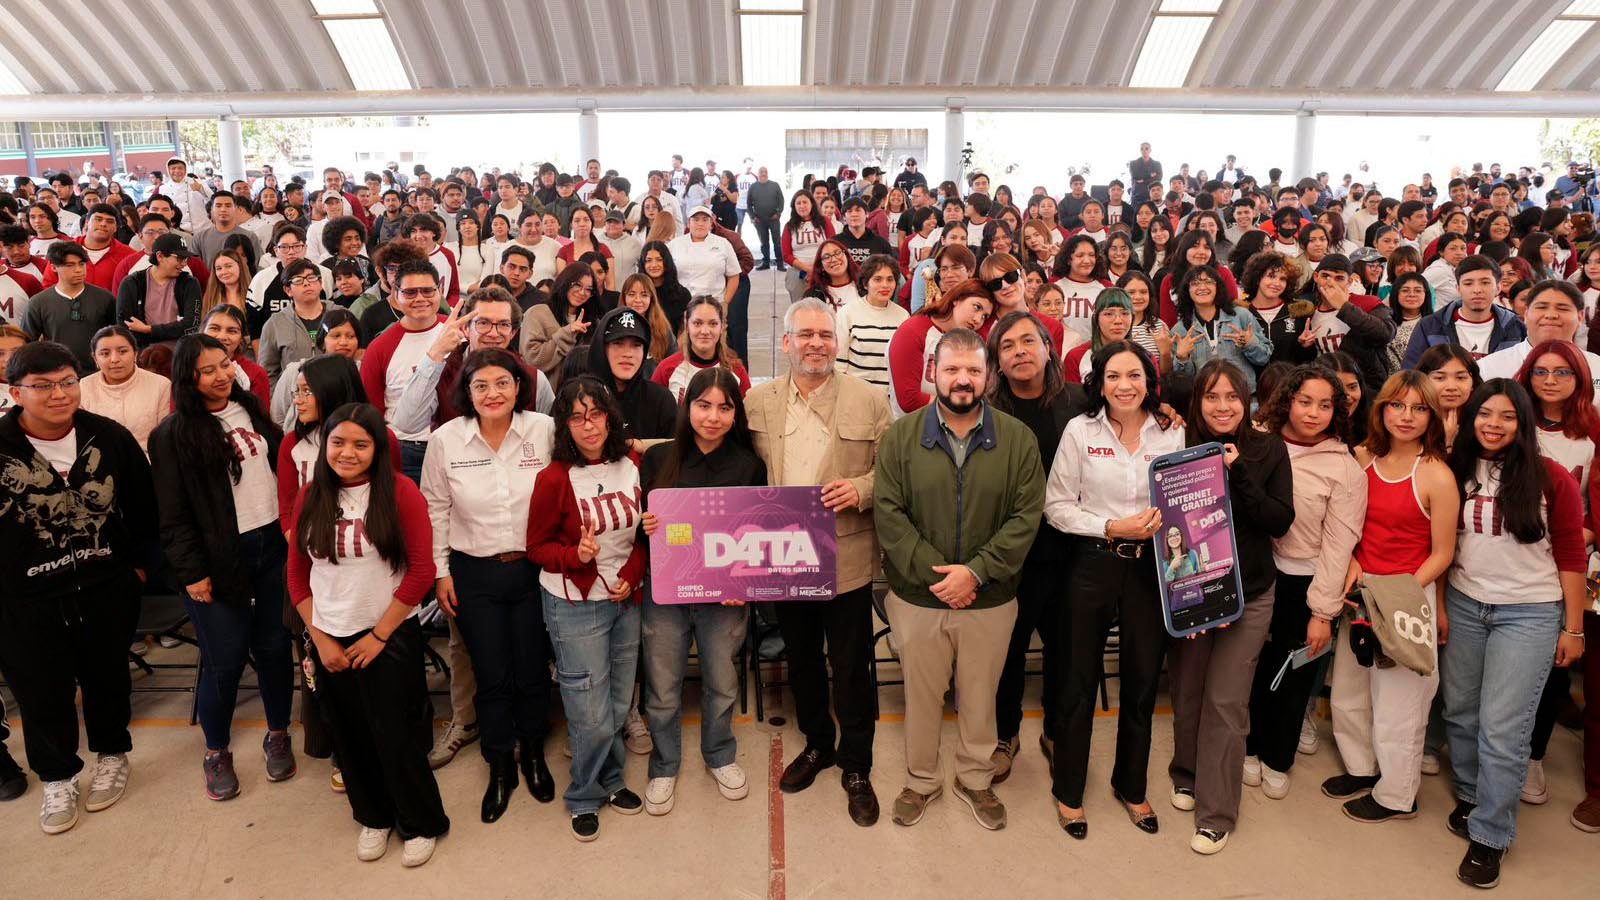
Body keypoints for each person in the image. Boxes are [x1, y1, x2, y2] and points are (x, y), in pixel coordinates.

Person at [872, 326, 1045, 831]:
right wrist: (941, 578)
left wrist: (976, 573)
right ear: (933, 372)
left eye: (973, 369)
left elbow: (1026, 516)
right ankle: (921, 780)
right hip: (918, 599)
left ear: (989, 375)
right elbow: (889, 514)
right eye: (951, 369)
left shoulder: (1018, 440)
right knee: (922, 696)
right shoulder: (901, 437)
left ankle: (974, 779)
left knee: (980, 695)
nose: (962, 379)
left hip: (989, 598)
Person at [745, 298, 892, 826]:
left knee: (852, 665)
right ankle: (817, 744)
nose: (816, 344)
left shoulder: (870, 400)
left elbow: (891, 471)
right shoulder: (757, 402)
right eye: (805, 335)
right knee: (802, 658)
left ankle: (856, 763)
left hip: (845, 553)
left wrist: (861, 488)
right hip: (784, 558)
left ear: (838, 342)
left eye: (825, 335)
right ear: (786, 342)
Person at [0, 340, 156, 833]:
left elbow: (144, 507)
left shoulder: (108, 437)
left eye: (68, 381)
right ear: (15, 392)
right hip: (25, 599)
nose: (59, 394)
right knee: (40, 691)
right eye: (42, 386)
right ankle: (58, 776)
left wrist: (137, 568)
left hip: (105, 585)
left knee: (107, 677)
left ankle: (112, 754)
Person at [287, 402, 448, 867]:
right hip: (330, 636)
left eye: (361, 444)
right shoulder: (310, 495)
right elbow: (297, 576)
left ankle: (419, 822)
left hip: (388, 634)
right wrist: (321, 639)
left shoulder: (400, 492)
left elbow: (421, 572)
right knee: (350, 736)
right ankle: (374, 817)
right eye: (338, 442)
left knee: (397, 735)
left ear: (378, 449)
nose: (348, 452)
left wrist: (379, 636)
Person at [1441, 378, 1587, 887]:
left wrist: (1574, 628)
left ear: (1522, 422)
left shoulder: (1550, 477)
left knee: (1503, 729)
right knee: (1460, 711)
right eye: (1485, 414)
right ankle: (1471, 794)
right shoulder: (1454, 469)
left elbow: (1571, 553)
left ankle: (1490, 834)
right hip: (1464, 603)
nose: (1494, 424)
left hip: (1529, 613)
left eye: (1506, 416)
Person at [1044, 339, 1185, 840]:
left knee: (1142, 683)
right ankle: (1069, 792)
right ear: (1098, 384)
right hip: (1093, 564)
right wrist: (1109, 527)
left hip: (1151, 571)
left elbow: (1186, 498)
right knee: (1078, 681)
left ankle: (1131, 786)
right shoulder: (1080, 431)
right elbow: (1057, 506)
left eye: (1134, 375)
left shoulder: (1172, 430)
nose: (1125, 386)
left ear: (1149, 381)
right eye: (1113, 377)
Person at [150, 334, 297, 801]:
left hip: (271, 547)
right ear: (187, 378)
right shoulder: (172, 434)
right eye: (208, 370)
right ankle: (216, 750)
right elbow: (171, 516)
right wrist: (192, 572)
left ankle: (278, 734)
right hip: (216, 560)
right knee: (225, 660)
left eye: (226, 363)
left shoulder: (252, 410)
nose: (221, 375)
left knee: (275, 648)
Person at [420, 348, 557, 823]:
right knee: (491, 672)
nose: (492, 393)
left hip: (535, 569)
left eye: (502, 383)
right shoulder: (446, 440)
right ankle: (500, 763)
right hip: (473, 573)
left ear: (519, 388)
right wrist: (440, 572)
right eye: (481, 385)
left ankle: (533, 752)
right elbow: (435, 508)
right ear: (467, 392)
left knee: (532, 668)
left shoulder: (543, 430)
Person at [1166, 360, 1295, 855]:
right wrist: (1183, 594)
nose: (1223, 407)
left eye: (1232, 397)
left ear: (1247, 401)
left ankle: (1216, 813)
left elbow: (1278, 520)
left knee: (1226, 700)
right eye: (1211, 396)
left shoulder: (1267, 449)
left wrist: (1236, 470)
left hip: (1251, 593)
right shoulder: (1177, 448)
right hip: (1194, 591)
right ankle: (1186, 772)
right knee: (1187, 689)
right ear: (1197, 401)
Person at [1324, 370, 1458, 823]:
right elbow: (1344, 524)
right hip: (1360, 595)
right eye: (1397, 405)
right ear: (1381, 408)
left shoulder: (1437, 475)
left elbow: (1443, 553)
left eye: (1419, 408)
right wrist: (1353, 564)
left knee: (1400, 703)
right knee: (1350, 689)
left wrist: (1401, 593)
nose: (1406, 416)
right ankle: (1361, 768)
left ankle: (1397, 795)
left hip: (1405, 599)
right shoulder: (1362, 457)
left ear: (1432, 416)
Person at [636, 367, 767, 815]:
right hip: (666, 594)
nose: (713, 417)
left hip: (723, 597)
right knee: (662, 686)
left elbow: (755, 535)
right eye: (703, 405)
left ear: (736, 413)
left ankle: (720, 754)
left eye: (724, 408)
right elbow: (639, 532)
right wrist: (643, 526)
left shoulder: (749, 465)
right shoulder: (658, 459)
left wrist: (743, 583)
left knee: (722, 681)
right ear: (687, 406)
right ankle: (664, 764)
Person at [525, 376, 648, 842]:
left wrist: (632, 574)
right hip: (575, 606)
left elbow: (643, 535)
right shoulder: (554, 478)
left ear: (610, 417)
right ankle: (583, 794)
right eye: (577, 417)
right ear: (564, 426)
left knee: (617, 702)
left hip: (624, 600)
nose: (589, 425)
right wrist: (574, 556)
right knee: (588, 711)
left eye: (595, 413)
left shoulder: (632, 465)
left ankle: (611, 780)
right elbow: (536, 547)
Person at [1245, 364, 1367, 800]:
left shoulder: (1345, 469)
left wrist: (1322, 613)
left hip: (1306, 582)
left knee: (1294, 675)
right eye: (1304, 402)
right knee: (1251, 669)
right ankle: (1248, 747)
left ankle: (1278, 757)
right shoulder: (1257, 441)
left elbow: (1339, 546)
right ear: (1287, 401)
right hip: (1256, 573)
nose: (1313, 413)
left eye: (1325, 405)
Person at [983, 311, 1088, 782]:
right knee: (1006, 650)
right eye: (1007, 346)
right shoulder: (987, 410)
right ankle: (1005, 734)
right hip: (1010, 555)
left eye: (1028, 341)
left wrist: (1163, 410)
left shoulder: (1082, 402)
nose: (1019, 351)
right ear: (997, 361)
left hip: (1069, 551)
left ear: (1049, 348)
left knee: (1065, 650)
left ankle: (1055, 731)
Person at [360, 260, 449, 481]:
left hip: (455, 442)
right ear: (395, 295)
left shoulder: (457, 331)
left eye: (427, 291)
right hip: (406, 449)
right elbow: (372, 409)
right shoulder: (380, 347)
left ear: (439, 291)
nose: (420, 298)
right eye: (410, 292)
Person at [887, 279, 994, 417]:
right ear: (957, 299)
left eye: (985, 316)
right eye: (977, 307)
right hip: (914, 426)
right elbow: (909, 400)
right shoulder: (913, 331)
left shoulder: (967, 340)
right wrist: (963, 407)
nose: (978, 319)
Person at [1402, 256, 1526, 368]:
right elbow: (1411, 374)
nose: (1477, 290)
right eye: (1468, 283)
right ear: (1458, 288)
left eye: (1485, 282)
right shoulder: (1430, 326)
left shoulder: (1516, 327)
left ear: (1498, 288)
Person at [1171, 265, 1272, 394]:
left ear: (1218, 287)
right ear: (1187, 290)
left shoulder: (1241, 316)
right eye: (1195, 283)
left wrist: (1250, 343)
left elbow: (1264, 358)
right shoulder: (1180, 330)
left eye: (1208, 282)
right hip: (1205, 398)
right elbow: (1183, 381)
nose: (1202, 287)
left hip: (1244, 396)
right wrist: (1182, 358)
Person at [584, 306, 678, 443]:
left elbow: (673, 450)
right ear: (602, 348)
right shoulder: (578, 397)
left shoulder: (661, 400)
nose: (628, 354)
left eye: (636, 345)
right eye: (618, 343)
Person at [21, 242, 117, 373]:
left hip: (99, 372)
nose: (78, 270)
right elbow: (26, 344)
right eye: (70, 265)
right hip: (56, 373)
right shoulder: (38, 302)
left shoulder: (105, 298)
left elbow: (117, 335)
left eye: (82, 264)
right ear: (54, 267)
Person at [78, 325, 171, 453]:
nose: (115, 359)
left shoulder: (160, 385)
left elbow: (164, 440)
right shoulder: (84, 386)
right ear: (95, 359)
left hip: (147, 461)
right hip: (100, 462)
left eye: (122, 351)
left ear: (135, 353)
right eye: (105, 354)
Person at [270, 308, 362, 427]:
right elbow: (277, 418)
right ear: (322, 340)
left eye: (351, 336)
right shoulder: (295, 371)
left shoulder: (364, 372)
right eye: (336, 336)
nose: (343, 342)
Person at [651, 296, 751, 402]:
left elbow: (748, 410)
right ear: (687, 325)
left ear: (722, 326)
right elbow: (650, 409)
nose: (705, 331)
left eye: (713, 324)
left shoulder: (736, 370)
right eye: (697, 323)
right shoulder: (666, 369)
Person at [834, 254, 908, 396]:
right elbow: (838, 364)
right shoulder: (848, 313)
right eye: (877, 279)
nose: (885, 285)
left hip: (891, 399)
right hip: (856, 397)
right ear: (865, 284)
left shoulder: (903, 316)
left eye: (890, 279)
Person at [114, 233, 202, 350]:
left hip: (181, 355)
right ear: (160, 256)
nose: (184, 263)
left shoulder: (189, 283)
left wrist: (149, 329)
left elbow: (192, 325)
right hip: (143, 355)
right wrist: (172, 331)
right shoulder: (132, 283)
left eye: (186, 259)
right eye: (179, 258)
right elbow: (127, 328)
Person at [520, 262, 605, 380]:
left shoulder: (593, 322)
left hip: (579, 388)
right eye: (577, 285)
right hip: (545, 389)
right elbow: (532, 359)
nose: (582, 292)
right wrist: (567, 333)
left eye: (588, 289)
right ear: (565, 282)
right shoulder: (537, 313)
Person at [257, 258, 329, 387]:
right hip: (293, 395)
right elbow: (267, 372)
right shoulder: (275, 323)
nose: (306, 283)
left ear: (320, 283)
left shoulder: (340, 314)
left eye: (311, 278)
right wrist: (279, 396)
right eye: (298, 280)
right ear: (288, 290)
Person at [782, 191, 835, 305]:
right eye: (798, 203)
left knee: (824, 307)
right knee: (800, 308)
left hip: (823, 271)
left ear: (812, 204)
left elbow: (833, 246)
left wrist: (818, 270)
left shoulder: (824, 222)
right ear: (794, 207)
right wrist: (808, 270)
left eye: (805, 202)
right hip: (798, 274)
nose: (802, 206)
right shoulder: (789, 226)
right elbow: (786, 255)